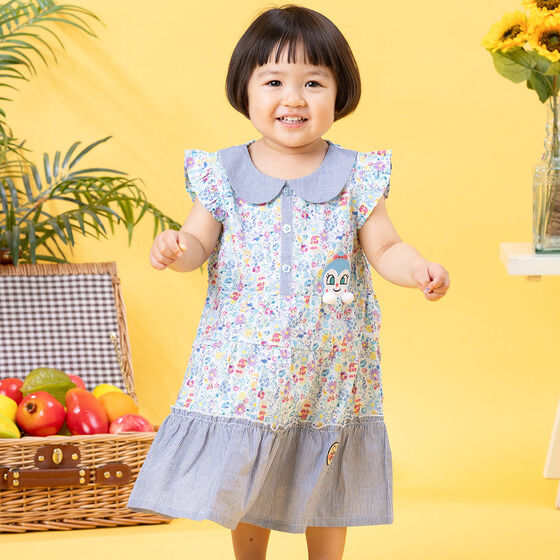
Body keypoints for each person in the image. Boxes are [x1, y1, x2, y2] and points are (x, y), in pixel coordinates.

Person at [127, 5, 450, 560]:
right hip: (245, 363)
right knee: (250, 471)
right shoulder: (223, 173)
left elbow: (385, 248)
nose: (294, 98)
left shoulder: (356, 175)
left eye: (313, 83)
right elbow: (198, 242)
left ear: (340, 93)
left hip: (330, 364)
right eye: (274, 81)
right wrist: (175, 249)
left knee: (325, 472)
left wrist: (417, 268)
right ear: (245, 89)